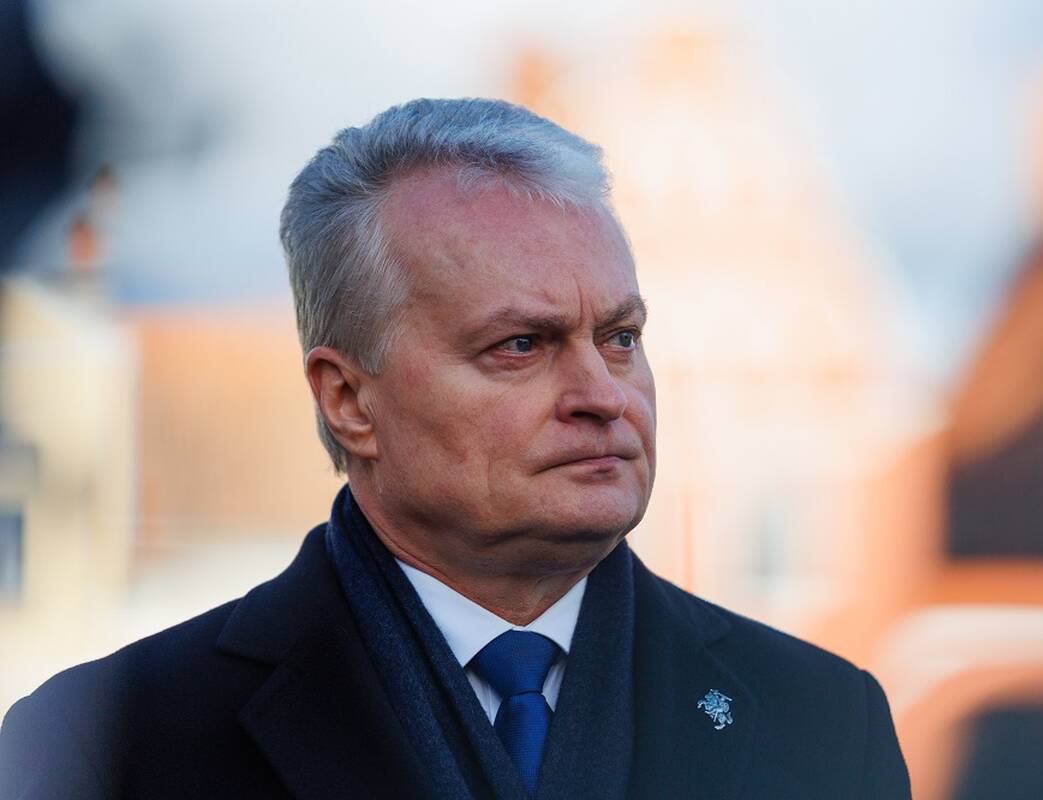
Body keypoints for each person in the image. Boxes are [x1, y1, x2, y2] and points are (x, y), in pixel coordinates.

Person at [0, 98, 911, 799]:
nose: (602, 394)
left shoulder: (822, 723)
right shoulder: (111, 746)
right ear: (349, 400)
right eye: (520, 345)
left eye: (620, 338)